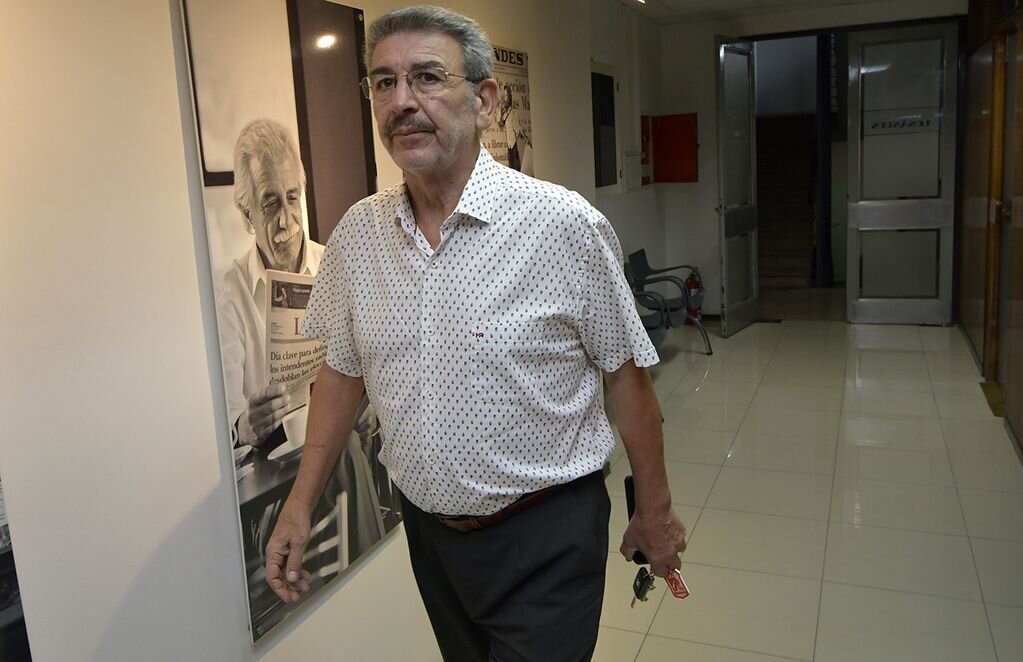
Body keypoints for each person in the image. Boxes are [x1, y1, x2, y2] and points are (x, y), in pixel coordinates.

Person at [264, 6, 686, 661]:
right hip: (431, 537)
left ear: (485, 100)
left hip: (546, 535)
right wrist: (299, 504)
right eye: (383, 82)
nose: (402, 101)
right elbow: (341, 374)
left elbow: (626, 379)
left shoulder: (562, 226)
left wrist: (653, 510)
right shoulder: (357, 237)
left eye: (427, 77)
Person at [216, 119, 387, 595]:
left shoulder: (332, 262)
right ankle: (374, 585)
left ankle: (362, 586)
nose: (287, 220)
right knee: (345, 450)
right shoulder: (228, 295)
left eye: (293, 198)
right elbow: (228, 426)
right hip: (274, 479)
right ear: (247, 213)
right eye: (270, 203)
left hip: (335, 448)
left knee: (352, 435)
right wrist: (248, 426)